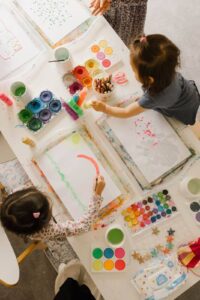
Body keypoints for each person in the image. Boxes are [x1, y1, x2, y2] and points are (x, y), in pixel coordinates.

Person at [92, 34, 200, 126]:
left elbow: (126, 112)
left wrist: (105, 108)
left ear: (149, 79)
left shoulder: (153, 98)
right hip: (189, 93)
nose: (133, 73)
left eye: (134, 71)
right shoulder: (166, 70)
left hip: (182, 108)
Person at [0, 175, 105, 243]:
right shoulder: (48, 230)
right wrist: (97, 195)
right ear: (45, 219)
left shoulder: (13, 201)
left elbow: (28, 186)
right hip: (44, 231)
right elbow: (83, 226)